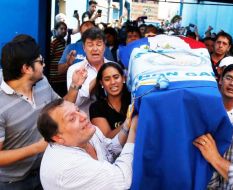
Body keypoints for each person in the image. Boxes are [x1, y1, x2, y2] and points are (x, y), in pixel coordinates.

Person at [0, 35, 87, 189]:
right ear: (26, 69)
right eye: (40, 62)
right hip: (12, 182)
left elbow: (61, 108)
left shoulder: (42, 82)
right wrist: (36, 148)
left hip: (44, 170)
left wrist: (75, 86)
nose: (45, 64)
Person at [38, 99, 137, 190]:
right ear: (58, 138)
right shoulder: (70, 167)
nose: (84, 116)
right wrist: (134, 130)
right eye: (72, 118)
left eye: (78, 110)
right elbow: (124, 178)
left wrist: (126, 125)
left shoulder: (87, 133)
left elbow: (109, 149)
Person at [67, 27, 114, 115]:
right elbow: (73, 103)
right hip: (85, 121)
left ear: (104, 47)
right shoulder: (75, 70)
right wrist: (96, 80)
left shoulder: (114, 68)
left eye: (99, 44)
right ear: (84, 48)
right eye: (90, 45)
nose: (95, 49)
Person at [90, 62, 131, 138]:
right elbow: (107, 138)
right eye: (107, 79)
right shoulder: (96, 107)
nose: (112, 82)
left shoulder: (134, 99)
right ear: (101, 83)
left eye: (116, 77)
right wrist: (128, 122)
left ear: (123, 79)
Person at [49, 21, 68, 96]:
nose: (64, 31)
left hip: (63, 79)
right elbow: (48, 58)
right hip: (55, 79)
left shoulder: (64, 43)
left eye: (65, 29)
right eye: (61, 28)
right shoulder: (54, 43)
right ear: (56, 30)